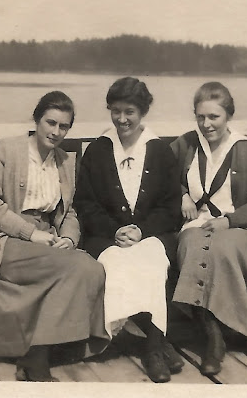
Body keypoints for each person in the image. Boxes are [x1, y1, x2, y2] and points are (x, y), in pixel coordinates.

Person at [0, 91, 110, 382]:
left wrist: (68, 239)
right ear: (37, 119)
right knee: (79, 267)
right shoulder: (7, 150)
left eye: (64, 126)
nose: (56, 132)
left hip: (47, 242)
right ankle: (39, 356)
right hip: (7, 241)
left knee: (92, 268)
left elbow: (68, 213)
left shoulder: (63, 161)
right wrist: (31, 234)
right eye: (51, 123)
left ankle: (37, 353)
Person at [169, 81, 247, 376]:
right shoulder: (184, 145)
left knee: (223, 249)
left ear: (228, 116)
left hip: (238, 227)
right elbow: (161, 181)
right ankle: (215, 339)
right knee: (194, 247)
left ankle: (246, 331)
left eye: (214, 117)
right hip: (195, 225)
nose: (206, 124)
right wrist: (181, 194)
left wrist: (229, 221)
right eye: (200, 117)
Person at [73, 77, 184, 383]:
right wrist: (115, 232)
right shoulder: (97, 151)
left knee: (151, 262)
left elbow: (170, 206)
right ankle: (157, 343)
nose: (122, 119)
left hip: (150, 236)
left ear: (143, 112)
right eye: (116, 110)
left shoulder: (160, 152)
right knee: (119, 263)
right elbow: (86, 203)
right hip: (107, 237)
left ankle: (151, 347)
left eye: (130, 112)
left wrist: (141, 231)